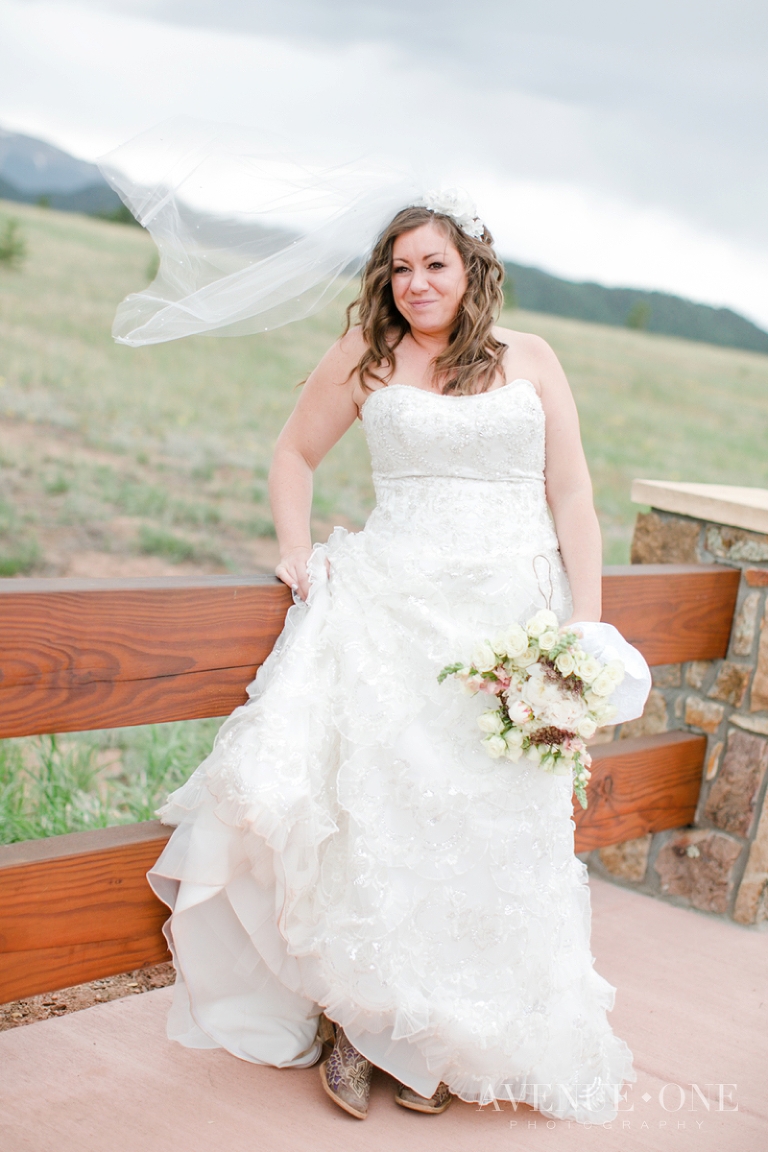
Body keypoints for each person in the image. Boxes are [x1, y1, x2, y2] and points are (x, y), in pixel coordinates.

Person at [148, 193, 638, 1125]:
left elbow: (572, 494)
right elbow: (293, 453)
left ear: (473, 271)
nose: (417, 284)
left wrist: (587, 633)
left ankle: (439, 1034)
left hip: (512, 625)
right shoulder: (370, 358)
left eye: (436, 266)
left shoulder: (532, 360)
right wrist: (295, 551)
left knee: (489, 825)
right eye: (401, 268)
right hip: (395, 613)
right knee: (386, 815)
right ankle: (356, 1024)